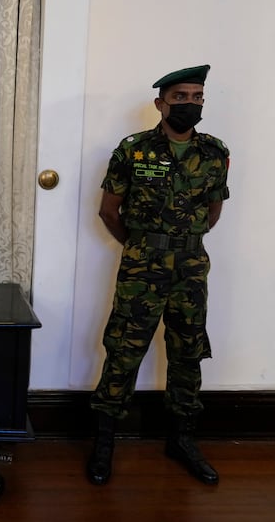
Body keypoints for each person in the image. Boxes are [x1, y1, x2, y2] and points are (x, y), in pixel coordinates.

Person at [86, 65, 230, 486]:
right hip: (142, 267)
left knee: (188, 352)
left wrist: (181, 242)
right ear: (160, 103)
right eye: (180, 97)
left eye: (197, 97)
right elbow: (108, 211)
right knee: (124, 350)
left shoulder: (215, 152)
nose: (190, 104)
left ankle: (181, 439)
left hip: (191, 269)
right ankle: (104, 442)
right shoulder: (134, 150)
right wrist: (143, 246)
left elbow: (213, 211)